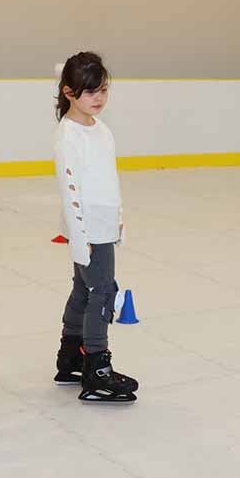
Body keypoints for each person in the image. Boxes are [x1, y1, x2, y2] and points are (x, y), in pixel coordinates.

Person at [50, 51, 139, 403]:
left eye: (103, 90)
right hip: (87, 230)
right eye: (90, 92)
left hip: (103, 225)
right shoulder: (68, 136)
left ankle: (70, 358)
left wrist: (117, 221)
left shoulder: (100, 129)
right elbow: (70, 190)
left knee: (83, 291)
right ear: (70, 92)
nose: (99, 98)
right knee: (103, 293)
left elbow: (107, 180)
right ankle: (97, 370)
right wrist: (80, 237)